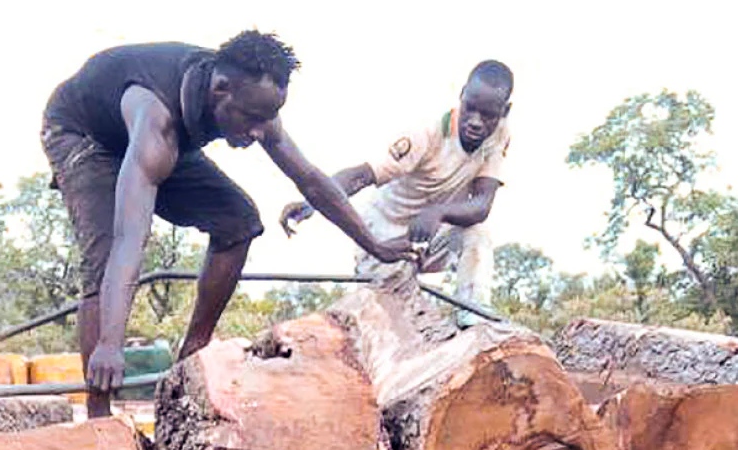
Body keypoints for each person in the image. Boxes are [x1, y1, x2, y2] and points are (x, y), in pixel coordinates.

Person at [43, 32, 414, 405]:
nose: (258, 132)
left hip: (149, 141)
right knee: (105, 258)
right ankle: (100, 416)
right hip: (83, 135)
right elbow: (129, 238)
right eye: (252, 119)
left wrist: (376, 245)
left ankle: (191, 355)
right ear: (221, 89)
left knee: (238, 221)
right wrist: (110, 343)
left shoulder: (251, 102)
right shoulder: (158, 120)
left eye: (267, 119)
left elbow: (311, 181)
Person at [281, 60, 513, 308]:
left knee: (477, 236)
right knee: (393, 315)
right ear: (462, 95)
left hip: (429, 237)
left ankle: (473, 312)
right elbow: (362, 175)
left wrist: (438, 212)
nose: (476, 122)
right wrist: (313, 200)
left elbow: (482, 204)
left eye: (488, 115)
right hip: (384, 240)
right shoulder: (427, 134)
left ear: (504, 111)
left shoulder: (499, 136)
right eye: (470, 109)